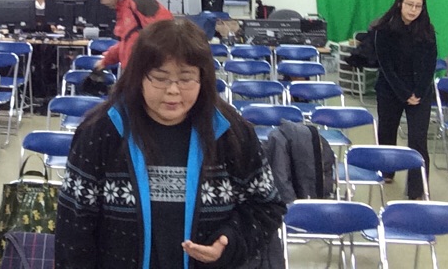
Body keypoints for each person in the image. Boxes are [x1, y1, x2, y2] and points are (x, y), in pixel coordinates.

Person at [56, 19, 285, 268]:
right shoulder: (101, 133)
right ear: (138, 77)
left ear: (203, 79)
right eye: (160, 78)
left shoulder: (231, 134)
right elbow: (73, 228)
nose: (173, 90)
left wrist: (229, 241)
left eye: (186, 79)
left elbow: (266, 206)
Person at [372, 0, 437, 199]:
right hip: (391, 89)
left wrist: (418, 92)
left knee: (418, 140)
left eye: (418, 6)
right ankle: (387, 170)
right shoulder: (384, 29)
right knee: (387, 132)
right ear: (400, 3)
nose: (413, 10)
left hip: (420, 92)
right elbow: (386, 66)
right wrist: (404, 93)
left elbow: (430, 64)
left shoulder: (427, 30)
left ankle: (417, 190)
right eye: (410, 4)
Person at [90, 0, 173, 72]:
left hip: (146, 70)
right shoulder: (124, 6)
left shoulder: (138, 0)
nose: (101, 2)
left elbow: (166, 33)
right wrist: (105, 61)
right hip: (135, 70)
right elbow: (126, 43)